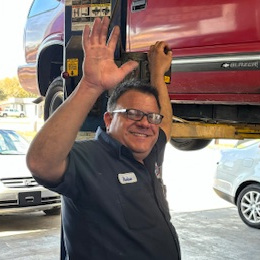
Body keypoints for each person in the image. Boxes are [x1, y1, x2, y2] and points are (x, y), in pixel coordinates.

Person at [26, 17, 181, 259]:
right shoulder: (89, 158)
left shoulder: (150, 153)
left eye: (150, 117)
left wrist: (158, 75)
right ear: (109, 120)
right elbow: (40, 162)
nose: (144, 122)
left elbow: (166, 124)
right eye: (132, 114)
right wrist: (90, 86)